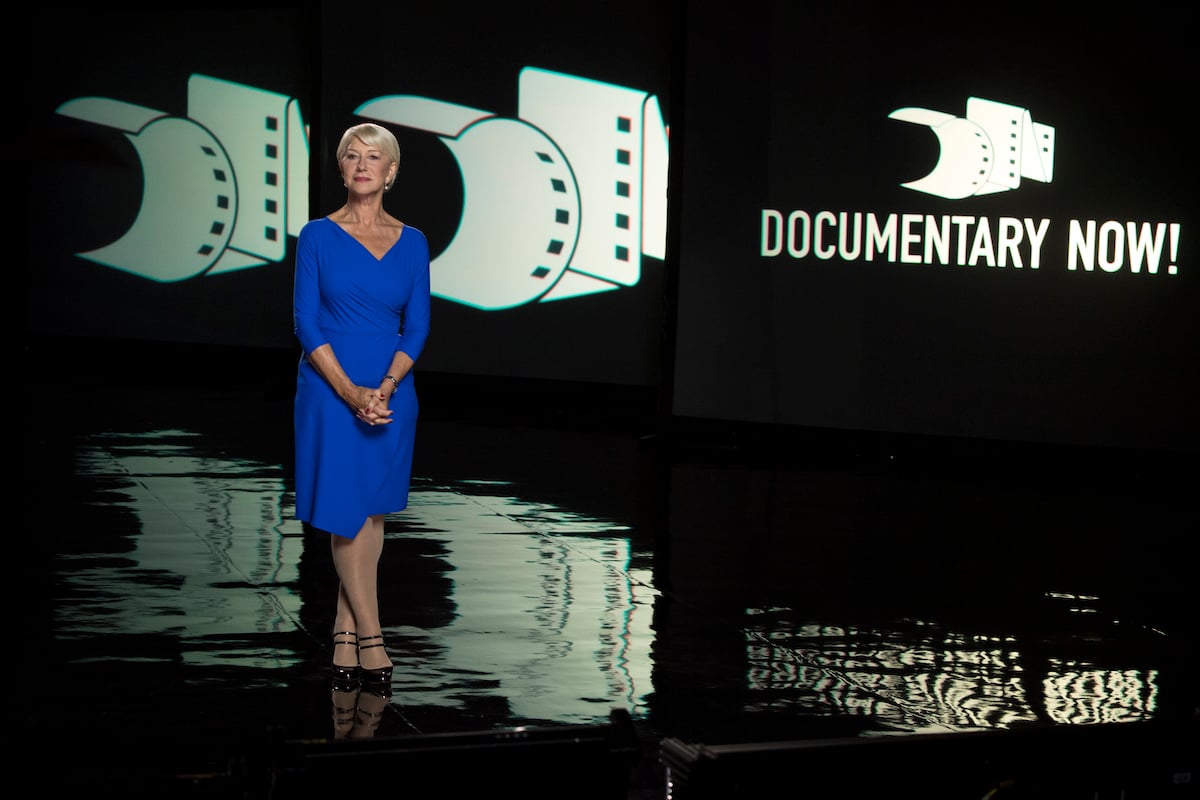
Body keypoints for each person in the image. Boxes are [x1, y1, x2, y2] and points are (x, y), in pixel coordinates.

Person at [292, 121, 431, 695]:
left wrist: (386, 388)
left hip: (390, 390)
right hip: (330, 387)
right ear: (343, 169)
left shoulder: (414, 241)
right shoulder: (317, 236)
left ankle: (345, 631)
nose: (362, 163)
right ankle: (373, 637)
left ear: (391, 173)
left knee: (372, 512)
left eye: (374, 157)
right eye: (352, 155)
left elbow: (417, 326)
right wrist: (351, 393)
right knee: (346, 508)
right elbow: (306, 321)